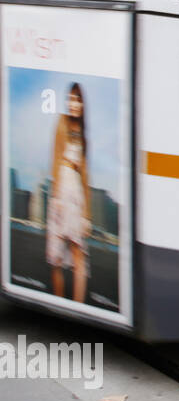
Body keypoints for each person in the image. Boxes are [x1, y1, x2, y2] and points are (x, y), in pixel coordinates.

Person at [46, 83, 92, 303]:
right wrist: (55, 197)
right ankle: (59, 303)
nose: (74, 104)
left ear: (83, 105)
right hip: (61, 189)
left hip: (76, 194)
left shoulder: (83, 134)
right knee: (56, 257)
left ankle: (78, 306)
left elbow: (86, 176)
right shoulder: (62, 122)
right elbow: (55, 158)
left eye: (78, 100)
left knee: (78, 253)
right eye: (71, 99)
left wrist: (87, 216)